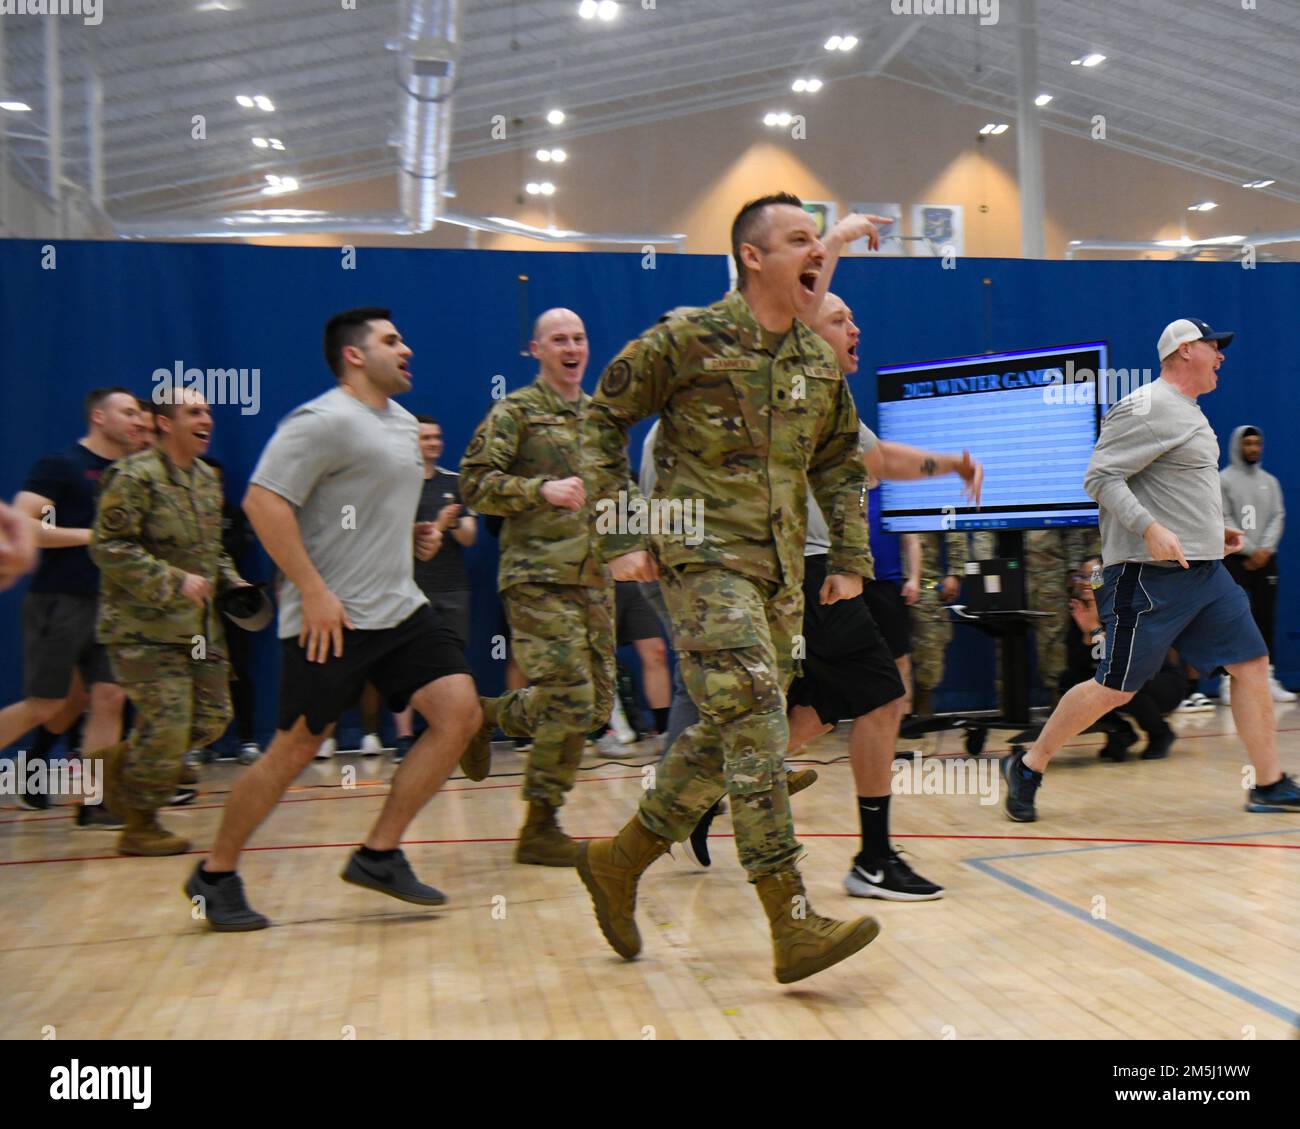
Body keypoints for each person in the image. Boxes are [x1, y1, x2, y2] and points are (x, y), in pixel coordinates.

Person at [573, 194, 883, 984]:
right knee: (752, 716)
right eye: (799, 239)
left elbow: (842, 462)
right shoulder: (691, 337)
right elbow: (601, 418)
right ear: (753, 256)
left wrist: (849, 555)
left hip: (779, 576)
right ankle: (791, 919)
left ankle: (617, 860)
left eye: (820, 239)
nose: (817, 250)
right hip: (701, 564)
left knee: (727, 734)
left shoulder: (815, 360)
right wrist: (617, 533)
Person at [186, 307, 482, 930]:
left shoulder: (403, 424)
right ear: (354, 355)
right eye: (391, 341)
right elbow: (263, 502)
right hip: (332, 618)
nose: (407, 349)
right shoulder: (321, 421)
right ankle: (214, 874)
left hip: (400, 607)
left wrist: (414, 537)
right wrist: (314, 590)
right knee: (297, 747)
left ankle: (379, 853)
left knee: (459, 715)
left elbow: (366, 511)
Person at [1003, 318, 1300, 820]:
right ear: (1185, 351)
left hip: (1204, 574)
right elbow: (1100, 476)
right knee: (1115, 689)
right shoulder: (1144, 406)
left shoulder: (1190, 412)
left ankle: (1268, 784)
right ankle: (1030, 766)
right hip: (1146, 577)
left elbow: (1177, 492)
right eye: (1214, 347)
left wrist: (1216, 531)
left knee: (1250, 665)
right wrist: (1148, 528)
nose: (1221, 357)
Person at [460, 308, 615, 867]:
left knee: (595, 704)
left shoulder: (602, 417)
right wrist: (539, 490)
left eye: (579, 337)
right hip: (536, 577)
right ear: (536, 350)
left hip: (595, 580)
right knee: (571, 698)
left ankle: (486, 716)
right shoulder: (517, 412)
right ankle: (540, 824)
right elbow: (474, 485)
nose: (571, 347)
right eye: (558, 340)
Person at [91, 390, 245, 854]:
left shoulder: (205, 480)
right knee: (169, 727)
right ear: (163, 423)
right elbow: (109, 546)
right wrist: (172, 580)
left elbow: (211, 550)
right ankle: (140, 825)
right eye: (194, 412)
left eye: (208, 412)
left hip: (199, 626)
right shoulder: (133, 476)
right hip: (143, 628)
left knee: (214, 719)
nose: (207, 420)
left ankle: (118, 764)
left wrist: (233, 583)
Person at [1, 388, 140, 826]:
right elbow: (26, 526)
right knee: (46, 705)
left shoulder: (133, 474)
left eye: (140, 412)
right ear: (99, 417)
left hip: (112, 605)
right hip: (60, 600)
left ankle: (93, 802)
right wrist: (91, 537)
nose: (138, 420)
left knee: (110, 696)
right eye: (128, 412)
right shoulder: (62, 466)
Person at [393, 415, 479, 760]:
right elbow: (392, 536)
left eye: (436, 437)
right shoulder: (398, 485)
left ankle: (446, 733)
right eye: (425, 437)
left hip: (452, 588)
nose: (432, 442)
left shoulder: (456, 483)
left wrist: (451, 520)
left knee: (452, 663)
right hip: (409, 588)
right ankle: (403, 739)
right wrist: (435, 525)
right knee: (406, 663)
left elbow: (470, 538)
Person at [1061, 558, 1185, 761]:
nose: (1085, 582)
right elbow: (1077, 667)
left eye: (1094, 576)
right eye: (1081, 576)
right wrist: (1086, 633)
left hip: (1163, 683)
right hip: (1121, 680)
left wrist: (1094, 629)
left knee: (1123, 681)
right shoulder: (1080, 612)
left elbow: (1121, 658)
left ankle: (1161, 734)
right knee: (1069, 683)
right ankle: (1120, 732)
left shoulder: (1125, 608)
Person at [1219, 426, 1294, 704]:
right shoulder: (1223, 480)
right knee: (1233, 620)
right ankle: (1229, 682)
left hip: (1266, 560)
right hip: (1234, 560)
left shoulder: (1270, 482)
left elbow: (1278, 516)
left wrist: (1264, 550)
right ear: (1238, 445)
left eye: (1257, 444)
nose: (1253, 448)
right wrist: (1249, 549)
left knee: (1265, 619)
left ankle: (1267, 679)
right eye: (1248, 443)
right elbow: (1223, 518)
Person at [201, 456, 263, 765]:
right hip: (192, 610)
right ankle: (201, 743)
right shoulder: (184, 516)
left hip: (231, 606)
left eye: (217, 481)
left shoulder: (234, 516)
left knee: (237, 671)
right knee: (197, 674)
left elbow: (237, 548)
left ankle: (248, 739)